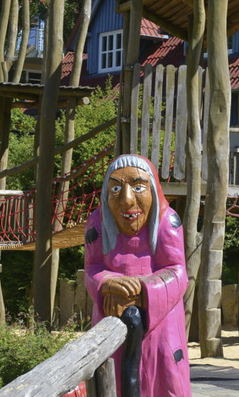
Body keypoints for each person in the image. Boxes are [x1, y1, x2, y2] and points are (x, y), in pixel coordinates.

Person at [84, 154, 190, 397]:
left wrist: (141, 292)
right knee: (110, 373)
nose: (127, 199)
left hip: (160, 324)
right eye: (116, 189)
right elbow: (91, 268)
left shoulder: (167, 221)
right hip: (111, 316)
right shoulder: (97, 223)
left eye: (138, 187)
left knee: (163, 376)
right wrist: (108, 284)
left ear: (153, 189)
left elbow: (178, 270)